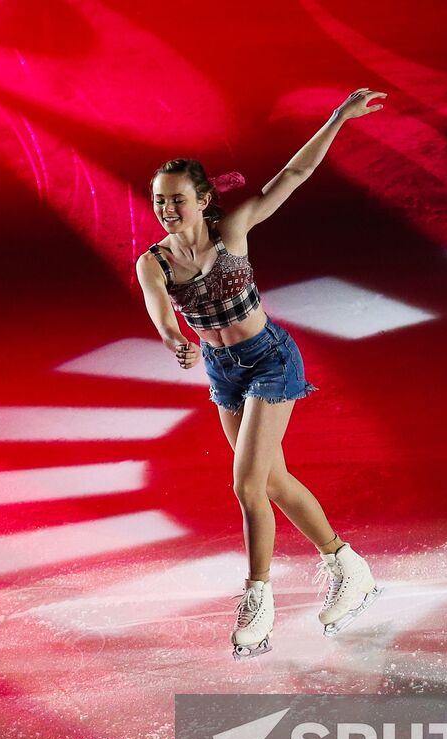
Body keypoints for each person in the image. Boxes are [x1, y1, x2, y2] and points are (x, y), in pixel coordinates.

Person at [134, 87, 388, 659]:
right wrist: (175, 338)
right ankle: (349, 566)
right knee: (270, 481)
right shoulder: (154, 261)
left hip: (270, 360)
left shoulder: (233, 230)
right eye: (159, 200)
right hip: (224, 373)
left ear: (201, 200)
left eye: (177, 199)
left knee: (246, 485)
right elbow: (158, 306)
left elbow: (291, 177)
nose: (167, 209)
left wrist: (336, 119)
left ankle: (259, 598)